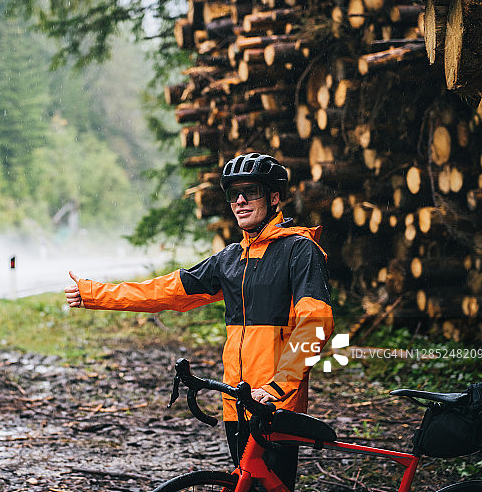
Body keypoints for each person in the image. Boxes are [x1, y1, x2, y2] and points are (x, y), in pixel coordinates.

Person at [65, 152, 334, 491]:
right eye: (233, 193)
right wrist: (94, 294)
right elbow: (165, 291)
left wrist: (280, 386)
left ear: (274, 197)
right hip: (237, 400)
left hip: (275, 403)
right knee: (247, 485)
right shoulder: (231, 258)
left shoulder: (299, 250)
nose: (239, 201)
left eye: (250, 191)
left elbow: (316, 323)